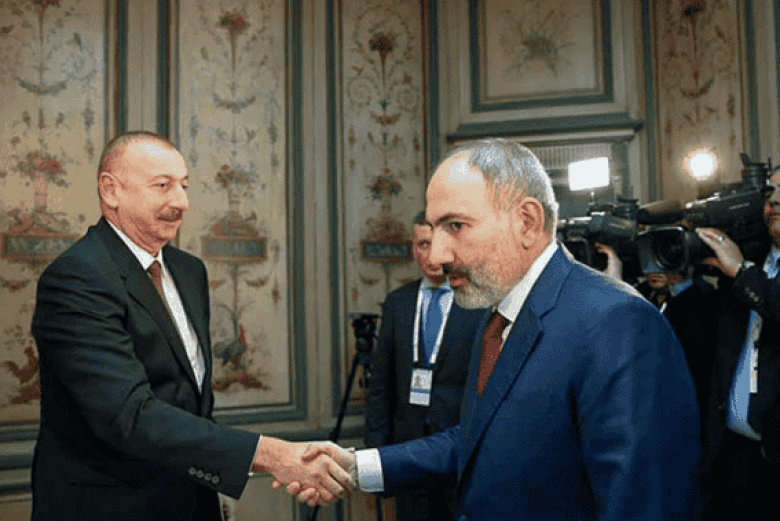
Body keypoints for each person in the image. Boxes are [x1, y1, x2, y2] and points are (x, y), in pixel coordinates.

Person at [287, 139, 701, 519]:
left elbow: (643, 506)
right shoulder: (498, 315)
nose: (438, 254)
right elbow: (478, 439)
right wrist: (356, 467)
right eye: (432, 230)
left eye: (455, 226)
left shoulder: (618, 323)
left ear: (526, 222)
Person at [29, 131, 353, 521]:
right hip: (110, 507)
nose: (181, 202)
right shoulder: (76, 278)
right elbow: (129, 415)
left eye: (184, 186)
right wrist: (272, 455)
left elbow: (188, 401)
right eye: (162, 185)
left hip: (192, 501)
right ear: (110, 190)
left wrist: (215, 486)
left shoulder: (188, 271)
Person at [365, 212, 484, 520]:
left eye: (436, 244)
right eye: (422, 245)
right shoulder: (398, 302)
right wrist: (375, 453)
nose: (431, 255)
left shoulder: (478, 303)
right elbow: (381, 386)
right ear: (413, 247)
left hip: (460, 453)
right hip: (407, 452)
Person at [694, 169, 780, 520]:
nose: (775, 201)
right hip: (733, 455)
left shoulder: (743, 269)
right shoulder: (747, 258)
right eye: (770, 193)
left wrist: (742, 272)